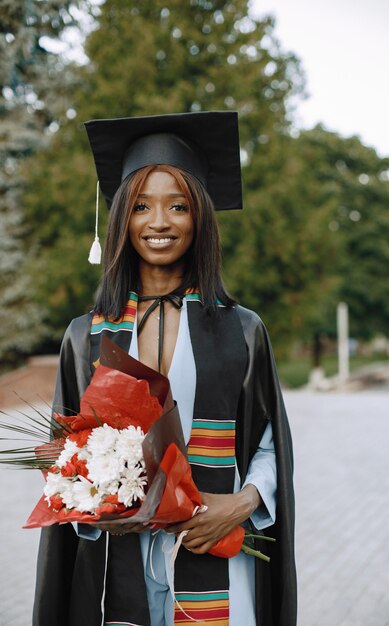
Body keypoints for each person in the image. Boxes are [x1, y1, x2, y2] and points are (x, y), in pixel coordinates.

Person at [32, 111, 296, 626]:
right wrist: (98, 506)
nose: (158, 222)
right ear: (121, 219)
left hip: (215, 553)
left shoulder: (241, 329)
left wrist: (245, 502)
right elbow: (64, 456)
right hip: (117, 562)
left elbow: (269, 441)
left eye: (177, 206)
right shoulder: (86, 336)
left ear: (199, 217)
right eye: (141, 207)